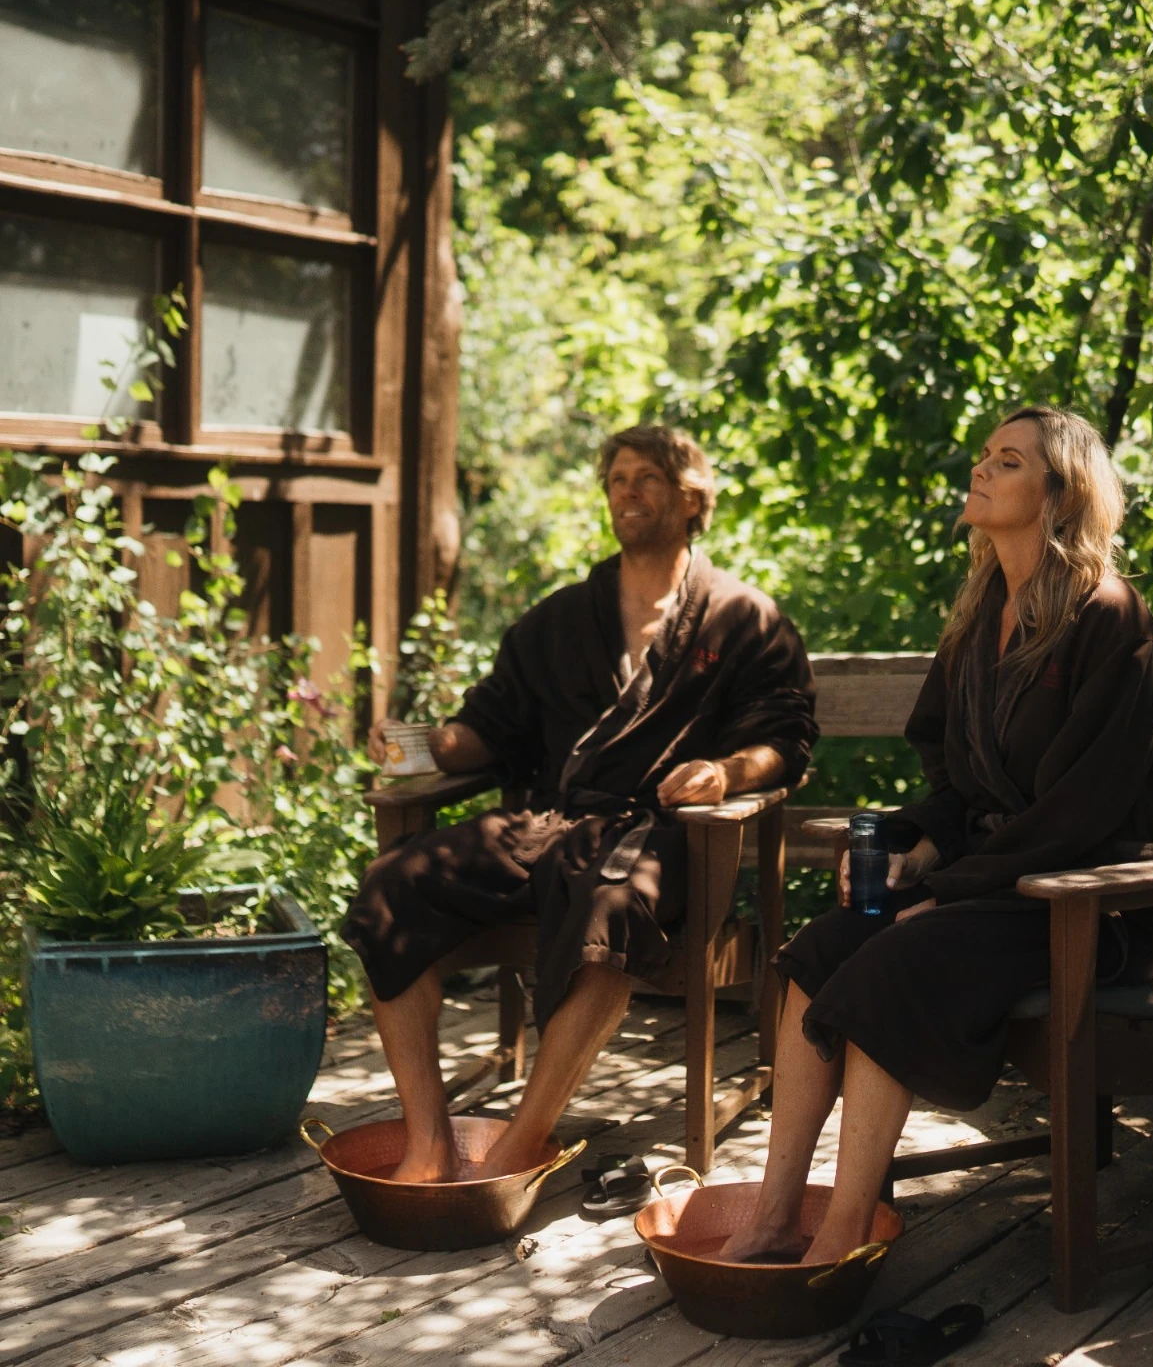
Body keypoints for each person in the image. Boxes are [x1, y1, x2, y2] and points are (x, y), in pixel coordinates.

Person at [722, 405, 1153, 1264]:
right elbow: (955, 779)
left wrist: (947, 892)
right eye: (983, 455)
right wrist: (923, 846)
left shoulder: (1109, 617)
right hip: (991, 882)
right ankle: (775, 1212)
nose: (980, 469)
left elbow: (1084, 812)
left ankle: (844, 1231)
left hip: (1090, 902)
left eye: (1007, 462)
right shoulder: (980, 619)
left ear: (1059, 495)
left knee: (897, 959)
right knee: (819, 950)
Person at [343, 425, 818, 1183]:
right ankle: (428, 1138)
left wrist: (724, 773)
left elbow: (786, 740)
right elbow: (491, 725)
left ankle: (518, 1145)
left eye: (646, 478)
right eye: (616, 479)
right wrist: (427, 743)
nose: (625, 492)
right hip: (548, 822)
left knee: (613, 909)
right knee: (392, 885)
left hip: (658, 834)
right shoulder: (560, 618)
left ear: (692, 497)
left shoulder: (743, 620)